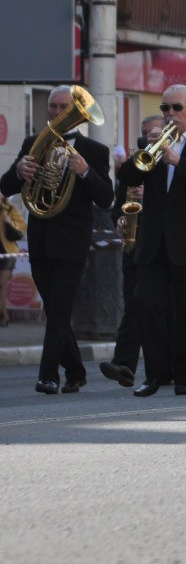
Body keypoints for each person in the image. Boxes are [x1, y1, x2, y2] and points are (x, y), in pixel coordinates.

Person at [117, 85, 186, 396]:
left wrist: (178, 161)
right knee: (150, 309)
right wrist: (146, 154)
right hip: (153, 243)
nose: (169, 114)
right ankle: (155, 375)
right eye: (165, 108)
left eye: (176, 108)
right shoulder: (149, 143)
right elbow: (127, 178)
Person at [1, 86, 114, 394]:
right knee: (55, 309)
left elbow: (106, 198)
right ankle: (75, 369)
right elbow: (5, 186)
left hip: (73, 242)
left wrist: (86, 171)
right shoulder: (31, 142)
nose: (57, 112)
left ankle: (48, 375)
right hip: (40, 239)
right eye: (53, 106)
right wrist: (19, 170)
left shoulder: (94, 151)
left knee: (60, 307)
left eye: (65, 106)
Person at [100, 113, 165, 388]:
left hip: (162, 246)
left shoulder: (171, 162)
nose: (146, 139)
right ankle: (124, 365)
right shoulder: (134, 165)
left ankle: (166, 366)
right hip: (134, 246)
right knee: (135, 305)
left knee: (160, 309)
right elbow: (117, 205)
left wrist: (147, 198)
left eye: (152, 133)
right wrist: (119, 219)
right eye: (143, 133)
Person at [0, 194, 27, 327]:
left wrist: (9, 222)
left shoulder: (10, 209)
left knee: (2, 283)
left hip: (8, 252)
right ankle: (3, 314)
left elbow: (22, 226)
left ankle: (2, 315)